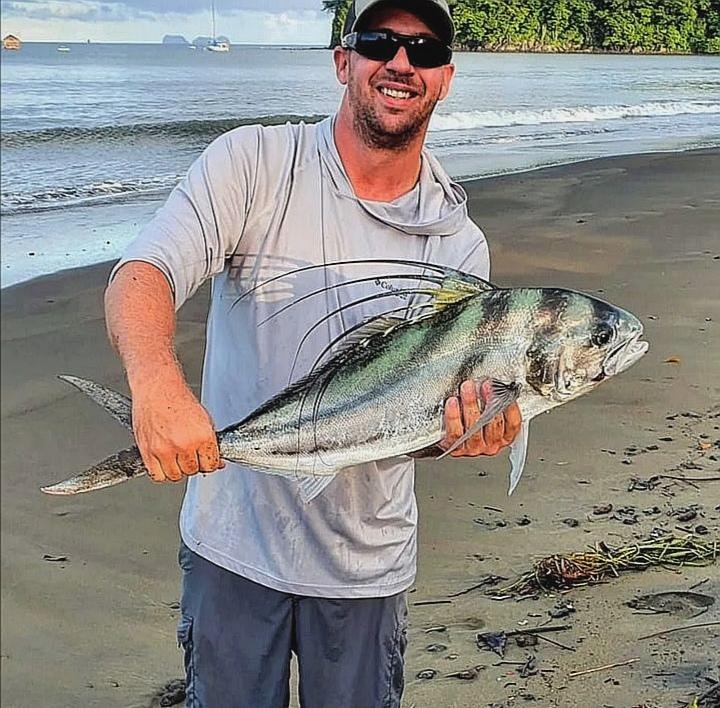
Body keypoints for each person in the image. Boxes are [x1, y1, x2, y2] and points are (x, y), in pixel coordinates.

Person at [105, 1, 521, 705]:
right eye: (380, 41)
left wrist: (465, 432)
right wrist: (155, 384)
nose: (401, 62)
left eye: (424, 50)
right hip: (231, 549)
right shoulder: (255, 163)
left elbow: (415, 424)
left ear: (445, 78)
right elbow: (142, 273)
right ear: (342, 61)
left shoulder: (457, 246)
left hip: (366, 572)